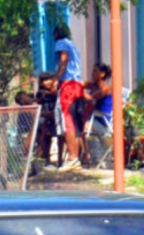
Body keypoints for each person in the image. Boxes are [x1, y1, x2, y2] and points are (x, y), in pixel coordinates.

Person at [53, 25, 86, 171]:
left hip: (68, 86)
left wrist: (56, 79)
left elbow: (63, 60)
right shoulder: (74, 46)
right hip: (78, 85)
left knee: (68, 122)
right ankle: (76, 157)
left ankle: (72, 157)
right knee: (76, 123)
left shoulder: (61, 43)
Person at [36, 73, 64, 169]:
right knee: (46, 139)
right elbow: (40, 103)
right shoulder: (40, 92)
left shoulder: (57, 92)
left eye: (50, 79)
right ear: (41, 83)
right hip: (46, 119)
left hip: (55, 118)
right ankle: (46, 159)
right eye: (45, 80)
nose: (48, 82)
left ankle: (60, 160)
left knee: (61, 138)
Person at [83, 62, 112, 135]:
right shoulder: (94, 85)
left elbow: (90, 98)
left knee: (79, 128)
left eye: (95, 71)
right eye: (92, 71)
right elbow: (81, 84)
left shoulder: (105, 88)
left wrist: (78, 91)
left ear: (102, 74)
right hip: (93, 118)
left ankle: (84, 146)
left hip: (103, 122)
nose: (92, 73)